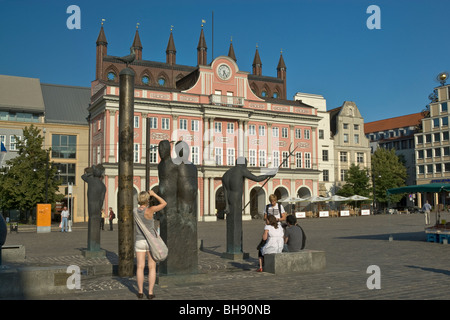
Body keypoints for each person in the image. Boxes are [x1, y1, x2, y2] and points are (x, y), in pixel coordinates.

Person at [134, 190, 167, 299]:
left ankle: (139, 291)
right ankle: (150, 292)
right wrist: (154, 194)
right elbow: (164, 203)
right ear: (147, 200)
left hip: (139, 241)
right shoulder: (151, 210)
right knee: (152, 267)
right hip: (151, 242)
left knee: (140, 267)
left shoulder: (134, 211)